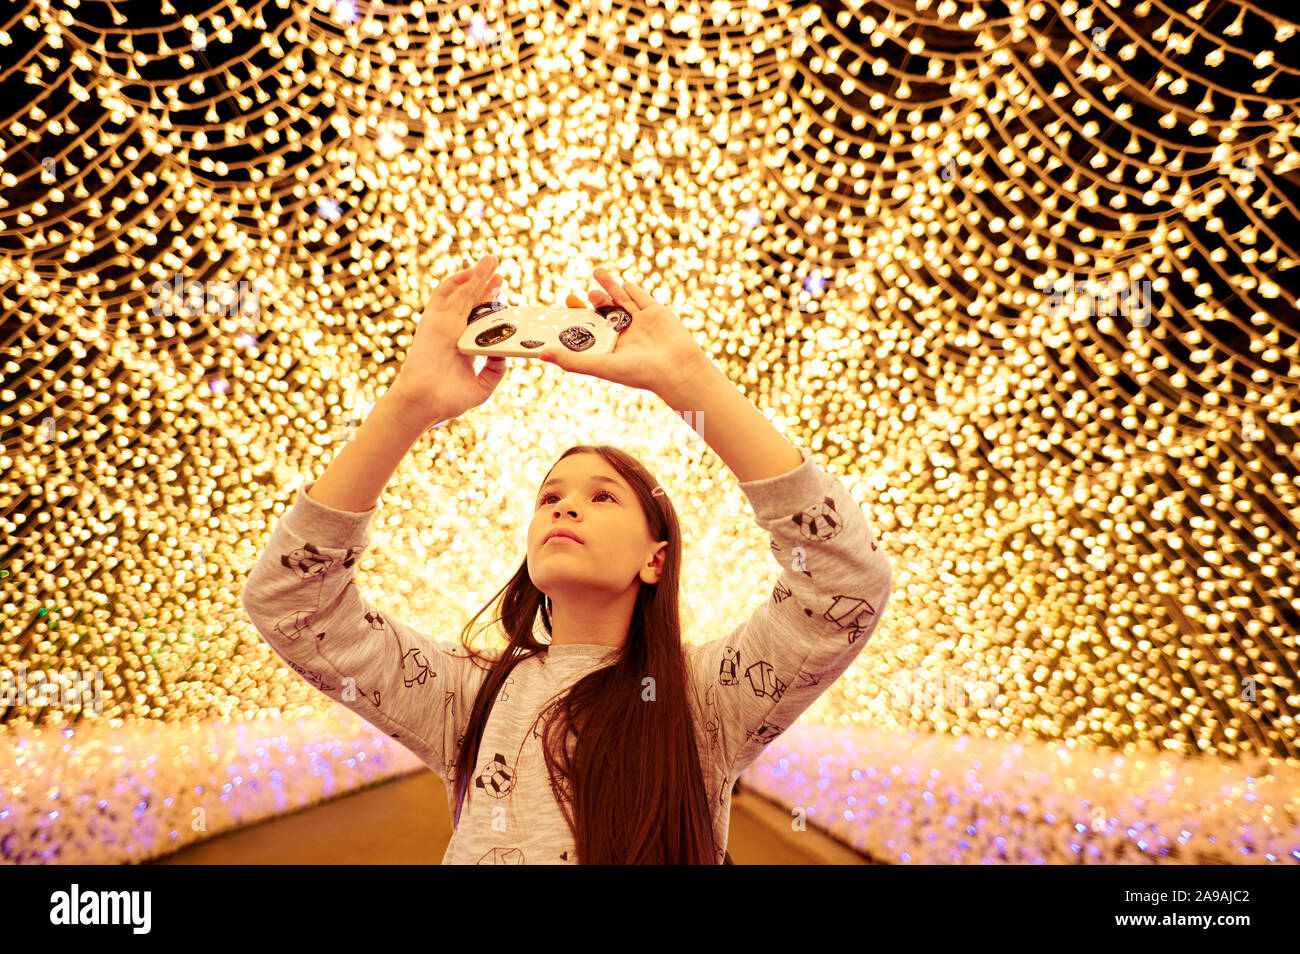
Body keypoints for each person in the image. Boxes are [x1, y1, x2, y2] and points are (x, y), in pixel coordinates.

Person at [240, 253, 893, 863]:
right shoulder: (469, 695)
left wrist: (693, 384)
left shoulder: (704, 700)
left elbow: (843, 582)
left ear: (656, 561)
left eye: (602, 497)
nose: (563, 507)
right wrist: (408, 406)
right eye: (549, 496)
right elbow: (292, 600)